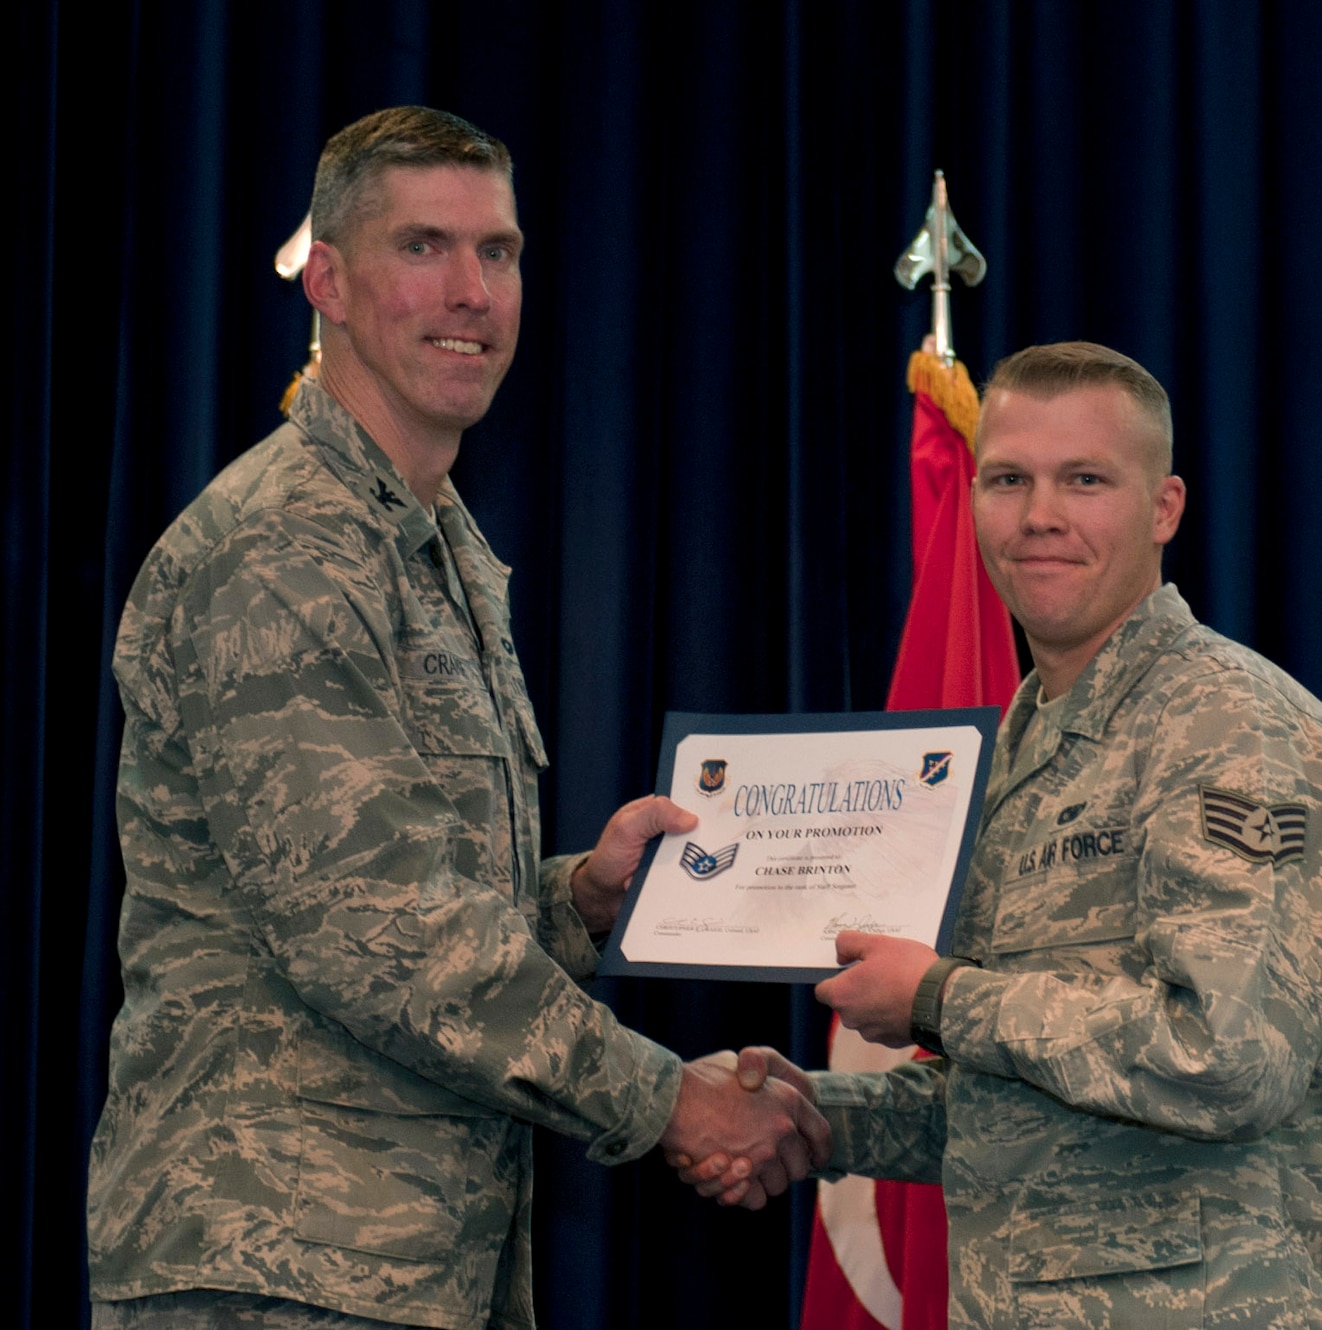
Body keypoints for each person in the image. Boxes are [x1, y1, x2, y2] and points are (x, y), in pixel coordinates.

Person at [87, 106, 828, 1330]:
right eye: (424, 246)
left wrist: (579, 900)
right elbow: (381, 936)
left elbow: (405, 901)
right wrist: (669, 1100)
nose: (472, 292)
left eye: (501, 252)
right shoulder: (282, 550)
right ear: (326, 276)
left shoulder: (435, 548)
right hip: (276, 1261)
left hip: (411, 1264)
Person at [697, 342, 1322, 1326]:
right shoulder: (1009, 750)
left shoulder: (1233, 724)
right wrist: (806, 1112)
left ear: (1164, 508)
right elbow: (1011, 1099)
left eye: (1085, 480)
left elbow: (1227, 1057)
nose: (1039, 516)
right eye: (1007, 479)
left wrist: (936, 996)